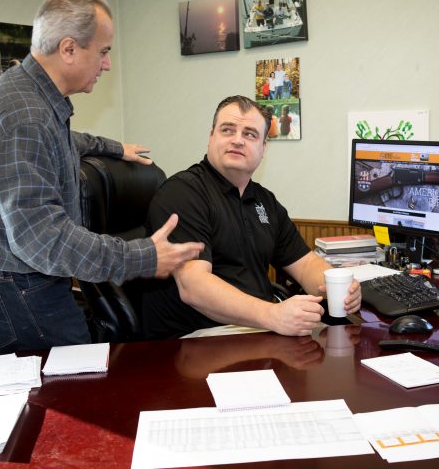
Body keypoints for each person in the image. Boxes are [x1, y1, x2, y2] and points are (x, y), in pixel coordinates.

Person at [0, 0, 203, 354]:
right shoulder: (25, 115)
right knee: (71, 387)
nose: (107, 64)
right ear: (68, 49)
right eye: (103, 51)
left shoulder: (28, 93)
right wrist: (144, 256)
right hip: (13, 283)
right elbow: (42, 237)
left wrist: (117, 148)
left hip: (0, 271)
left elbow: (66, 142)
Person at [142, 95, 361, 339]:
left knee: (349, 352)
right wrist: (273, 314)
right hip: (197, 338)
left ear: (263, 148)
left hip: (257, 327)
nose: (237, 140)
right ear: (211, 136)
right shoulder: (183, 193)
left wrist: (338, 289)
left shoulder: (264, 201)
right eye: (227, 130)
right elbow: (193, 287)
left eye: (250, 134)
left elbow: (306, 263)